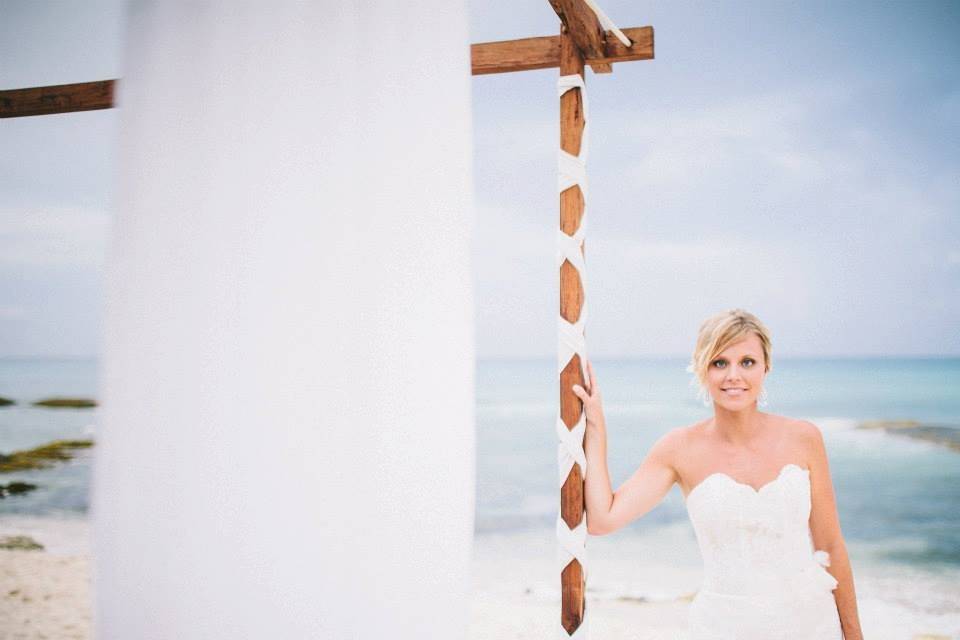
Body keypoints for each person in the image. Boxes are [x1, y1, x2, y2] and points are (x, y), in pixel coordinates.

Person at [571, 308, 864, 639]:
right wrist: (596, 425)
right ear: (701, 369)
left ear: (766, 366)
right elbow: (601, 519)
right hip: (724, 626)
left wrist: (854, 635)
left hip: (810, 623)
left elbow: (831, 547)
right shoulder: (679, 448)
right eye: (719, 363)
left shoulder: (804, 438)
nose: (733, 376)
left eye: (747, 362)